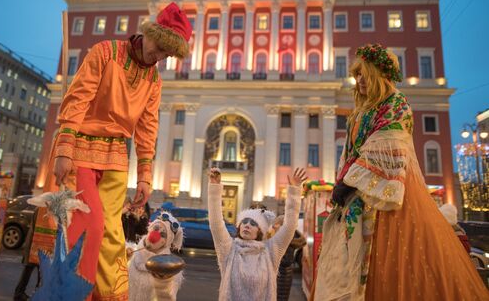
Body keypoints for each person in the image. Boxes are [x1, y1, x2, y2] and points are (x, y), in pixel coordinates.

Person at [313, 44, 488, 300]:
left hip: (385, 200)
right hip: (356, 198)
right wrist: (344, 182)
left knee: (394, 263)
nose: (359, 79)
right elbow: (351, 151)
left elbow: (389, 145)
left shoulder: (396, 103)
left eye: (364, 73)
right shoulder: (361, 109)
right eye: (356, 74)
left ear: (377, 73)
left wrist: (349, 182)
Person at [52, 2, 192, 300]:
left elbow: (147, 127)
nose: (160, 56)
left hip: (116, 156)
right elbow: (77, 98)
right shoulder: (104, 52)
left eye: (167, 53)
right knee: (88, 225)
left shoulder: (154, 80)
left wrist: (144, 176)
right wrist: (64, 147)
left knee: (113, 236)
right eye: (159, 47)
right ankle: (77, 293)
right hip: (81, 150)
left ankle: (109, 296)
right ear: (148, 33)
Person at [208, 167, 307, 301]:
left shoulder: (270, 251)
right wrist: (215, 187)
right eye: (245, 221)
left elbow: (289, 226)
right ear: (239, 226)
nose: (247, 225)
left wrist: (294, 191)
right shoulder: (228, 250)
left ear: (260, 231)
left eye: (253, 224)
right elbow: (216, 223)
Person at [268, 215, 306, 301]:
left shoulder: (286, 240)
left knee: (280, 297)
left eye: (276, 224)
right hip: (284, 275)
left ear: (282, 226)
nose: (273, 226)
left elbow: (286, 261)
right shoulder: (287, 237)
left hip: (282, 276)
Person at [13, 206, 40, 301]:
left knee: (32, 271)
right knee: (34, 271)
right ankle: (20, 293)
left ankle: (20, 293)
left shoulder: (40, 209)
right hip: (36, 245)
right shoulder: (40, 210)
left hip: (37, 245)